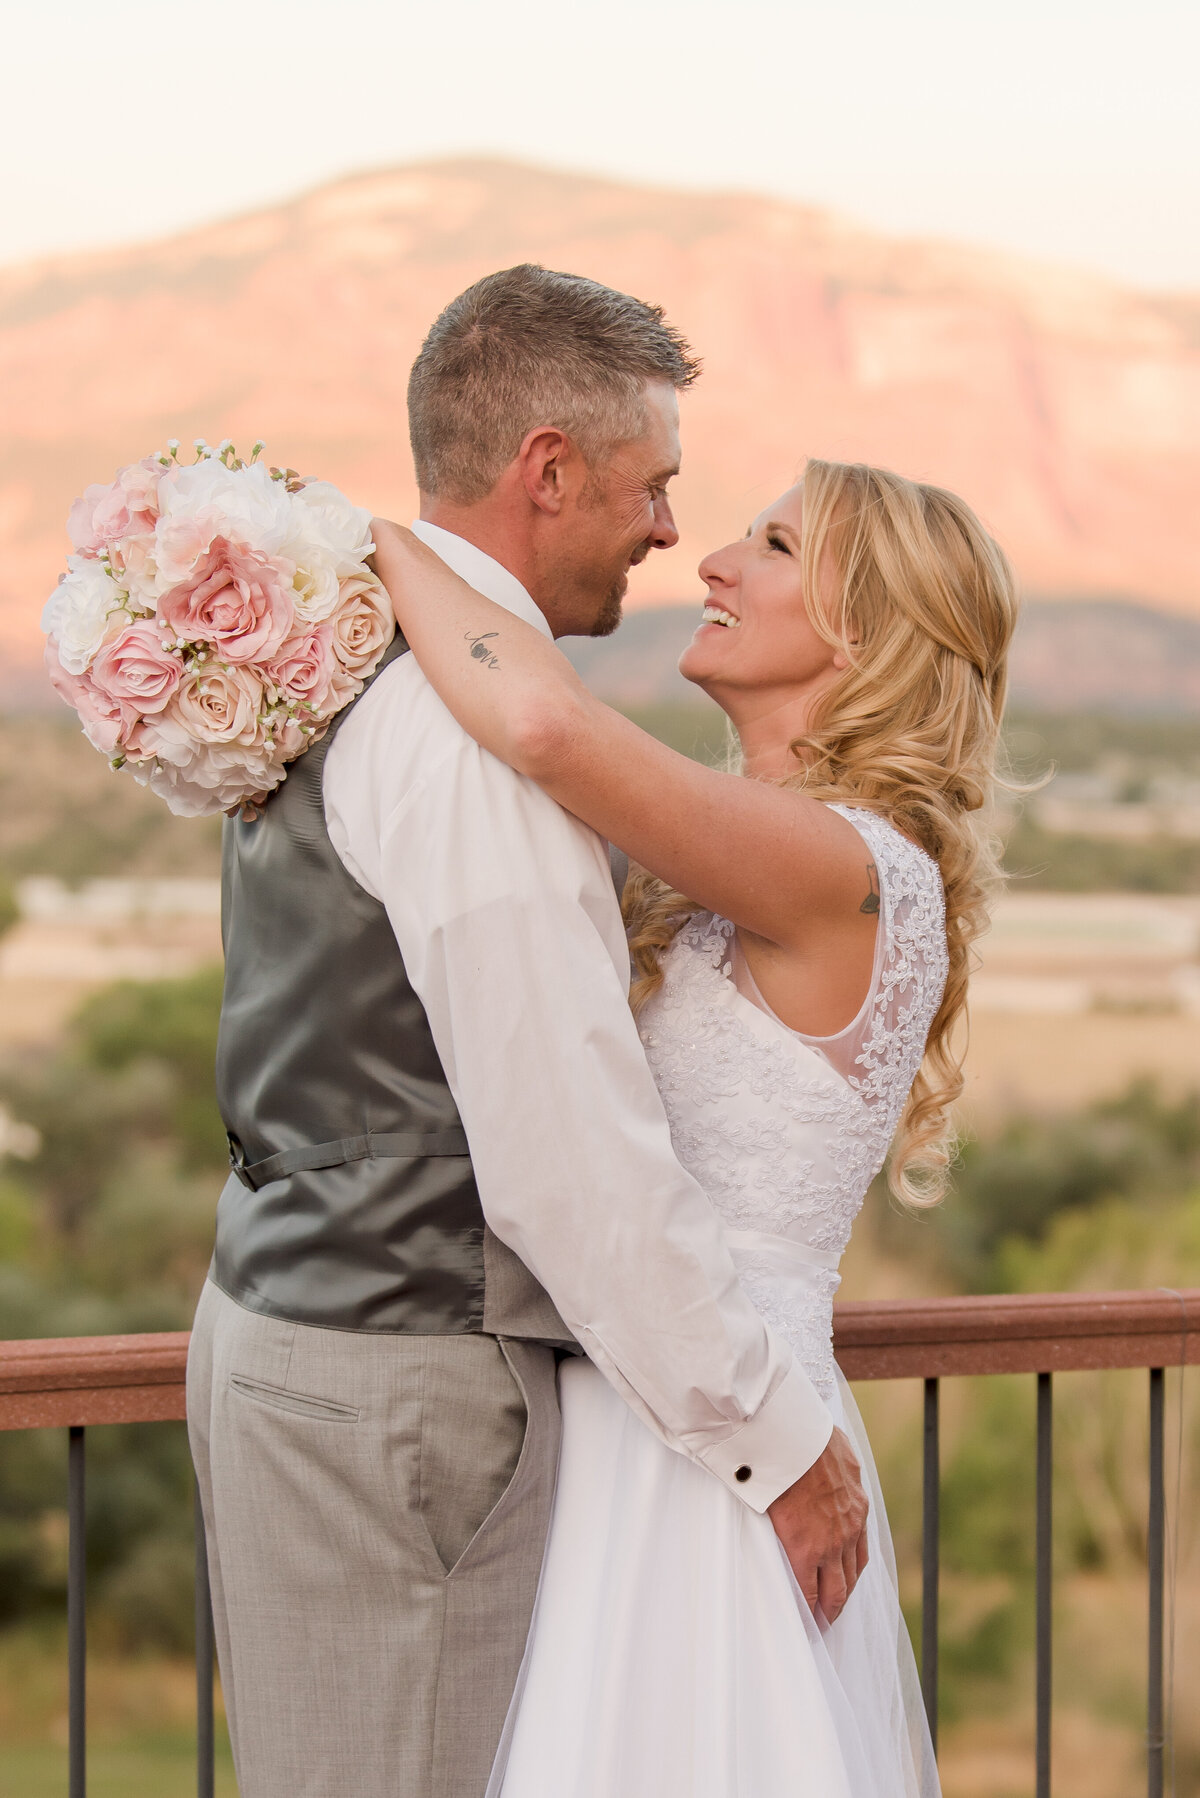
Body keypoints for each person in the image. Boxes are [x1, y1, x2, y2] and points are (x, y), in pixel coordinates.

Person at [186, 265, 868, 1798]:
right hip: (404, 1397)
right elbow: (565, 1157)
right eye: (654, 484)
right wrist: (773, 1441)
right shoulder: (475, 737)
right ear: (549, 469)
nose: (666, 530)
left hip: (287, 1336)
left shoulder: (348, 657)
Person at [369, 452, 1017, 1797]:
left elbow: (543, 727)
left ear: (870, 629)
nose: (711, 564)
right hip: (655, 1393)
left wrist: (355, 536)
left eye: (772, 545)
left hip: (716, 1434)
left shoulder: (846, 864)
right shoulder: (773, 850)